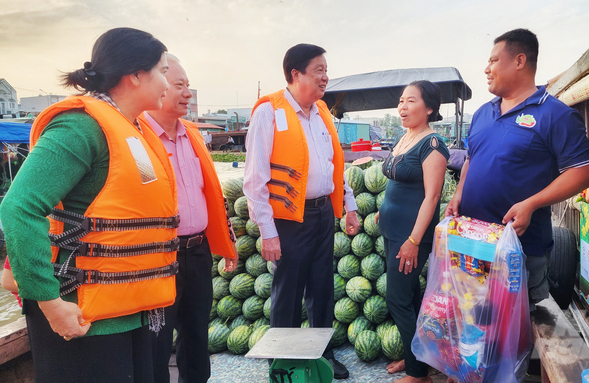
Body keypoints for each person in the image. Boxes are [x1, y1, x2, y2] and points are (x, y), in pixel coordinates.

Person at [0, 28, 178, 382]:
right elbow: (19, 208)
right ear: (136, 74)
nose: (167, 83)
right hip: (83, 318)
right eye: (162, 71)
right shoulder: (79, 127)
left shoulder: (133, 130)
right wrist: (50, 304)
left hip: (133, 309)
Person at [445, 28, 589, 316]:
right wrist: (458, 194)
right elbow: (471, 159)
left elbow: (586, 172)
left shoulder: (555, 114)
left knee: (514, 328)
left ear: (519, 61)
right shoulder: (482, 113)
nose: (486, 69)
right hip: (473, 240)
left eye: (493, 61)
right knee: (473, 317)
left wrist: (532, 203)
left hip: (519, 248)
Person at [243, 43, 360, 380]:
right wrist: (267, 230)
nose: (325, 76)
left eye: (326, 70)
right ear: (296, 74)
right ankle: (284, 360)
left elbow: (333, 166)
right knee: (289, 292)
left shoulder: (322, 112)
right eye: (319, 70)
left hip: (324, 213)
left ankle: (322, 356)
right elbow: (254, 180)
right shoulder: (269, 113)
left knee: (322, 289)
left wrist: (348, 206)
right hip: (290, 219)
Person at [139, 55, 238, 383]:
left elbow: (210, 193)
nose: (187, 94)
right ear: (158, 85)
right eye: (178, 85)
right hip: (157, 256)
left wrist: (226, 240)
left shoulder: (193, 136)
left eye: (188, 87)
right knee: (157, 341)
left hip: (197, 252)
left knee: (196, 334)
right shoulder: (137, 139)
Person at [378, 81, 449, 383]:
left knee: (398, 300)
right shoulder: (405, 137)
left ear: (429, 108)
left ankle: (418, 375)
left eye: (410, 101)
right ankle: (416, 356)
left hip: (411, 237)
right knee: (410, 296)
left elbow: (431, 198)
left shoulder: (432, 145)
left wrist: (413, 241)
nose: (402, 107)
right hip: (392, 231)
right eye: (401, 101)